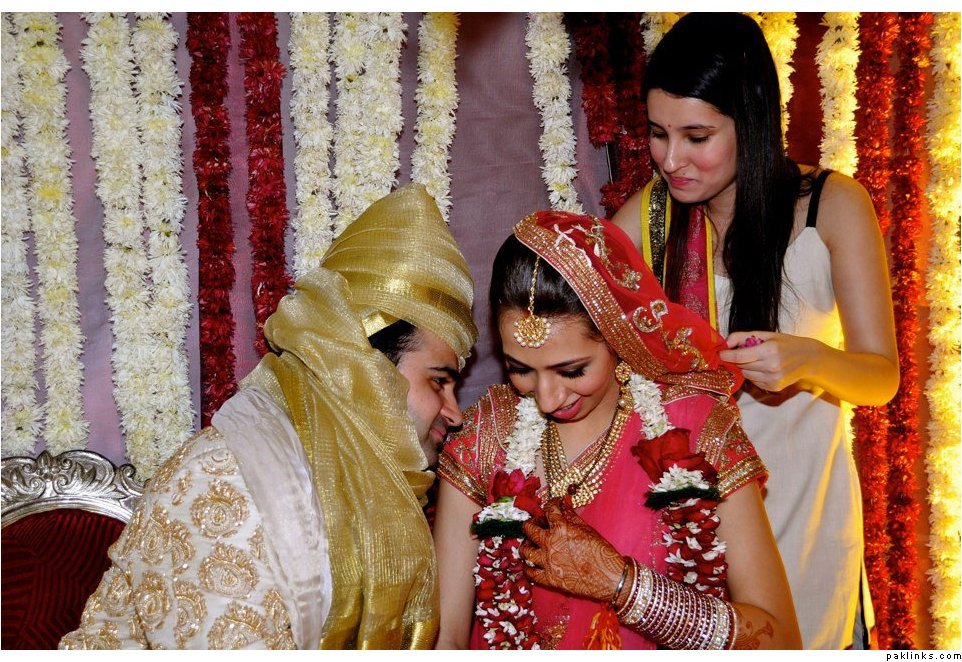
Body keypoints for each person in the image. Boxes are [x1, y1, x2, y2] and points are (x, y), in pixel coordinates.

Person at [59, 184, 478, 650]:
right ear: (364, 366)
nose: (454, 413)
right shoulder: (224, 480)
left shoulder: (363, 480)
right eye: (439, 381)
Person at [610, 13, 899, 649]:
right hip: (689, 526)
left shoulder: (830, 206)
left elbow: (881, 378)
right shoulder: (650, 221)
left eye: (696, 136)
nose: (671, 159)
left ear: (753, 122)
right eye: (658, 134)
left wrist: (810, 361)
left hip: (805, 513)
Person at [433, 211, 801, 650]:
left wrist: (624, 586)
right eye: (520, 369)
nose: (547, 398)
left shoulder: (693, 427)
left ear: (618, 337)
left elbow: (781, 640)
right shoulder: (486, 435)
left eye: (572, 370)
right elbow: (446, 640)